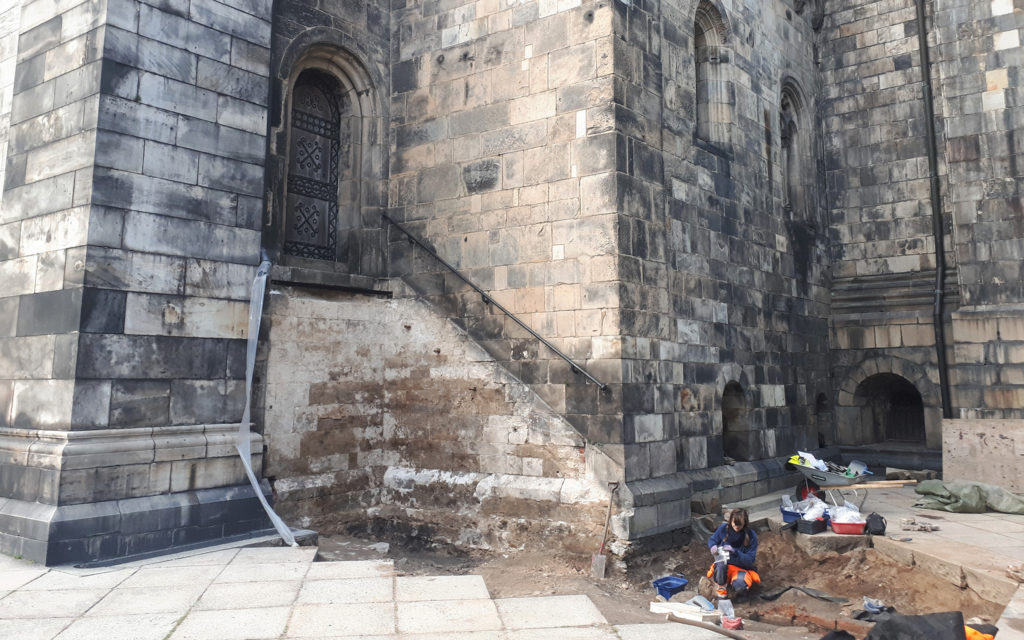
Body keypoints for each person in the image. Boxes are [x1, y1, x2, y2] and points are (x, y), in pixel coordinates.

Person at [704, 508, 761, 600]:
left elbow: (750, 560)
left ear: (745, 523)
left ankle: (740, 592)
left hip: (741, 567)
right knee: (720, 566)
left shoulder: (750, 535)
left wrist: (735, 552)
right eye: (734, 523)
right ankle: (721, 591)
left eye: (740, 524)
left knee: (739, 585)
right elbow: (712, 539)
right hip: (724, 565)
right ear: (731, 521)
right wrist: (713, 546)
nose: (736, 526)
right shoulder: (724, 528)